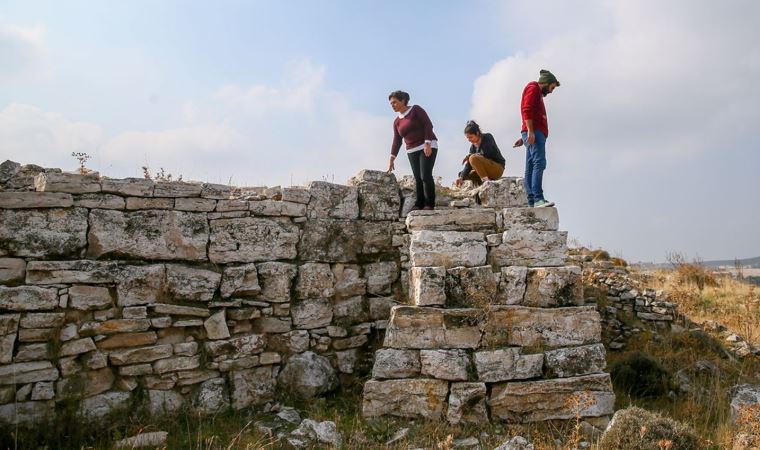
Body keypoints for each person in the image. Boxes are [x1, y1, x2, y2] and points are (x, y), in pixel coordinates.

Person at [512, 69, 560, 208]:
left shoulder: (536, 93)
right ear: (546, 83)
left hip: (532, 133)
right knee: (539, 163)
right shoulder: (533, 89)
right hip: (534, 133)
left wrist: (525, 136)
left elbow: (529, 114)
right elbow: (526, 110)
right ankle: (537, 198)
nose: (551, 91)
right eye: (551, 88)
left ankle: (532, 201)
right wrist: (530, 132)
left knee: (531, 166)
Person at [387, 90, 438, 210]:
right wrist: (392, 158)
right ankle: (419, 203)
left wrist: (427, 143)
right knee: (418, 177)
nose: (392, 105)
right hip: (411, 150)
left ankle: (429, 204)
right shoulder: (397, 122)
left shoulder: (416, 110)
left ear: (403, 101)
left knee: (425, 175)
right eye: (391, 103)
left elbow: (428, 125)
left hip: (427, 145)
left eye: (394, 102)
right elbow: (397, 140)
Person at [455, 120, 506, 187]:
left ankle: (486, 182)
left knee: (473, 158)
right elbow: (469, 164)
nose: (469, 140)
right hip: (485, 170)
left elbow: (486, 153)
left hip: (497, 168)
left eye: (470, 137)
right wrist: (461, 177)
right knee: (462, 174)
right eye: (467, 138)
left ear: (477, 133)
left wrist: (470, 156)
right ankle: (480, 181)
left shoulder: (488, 137)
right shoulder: (473, 147)